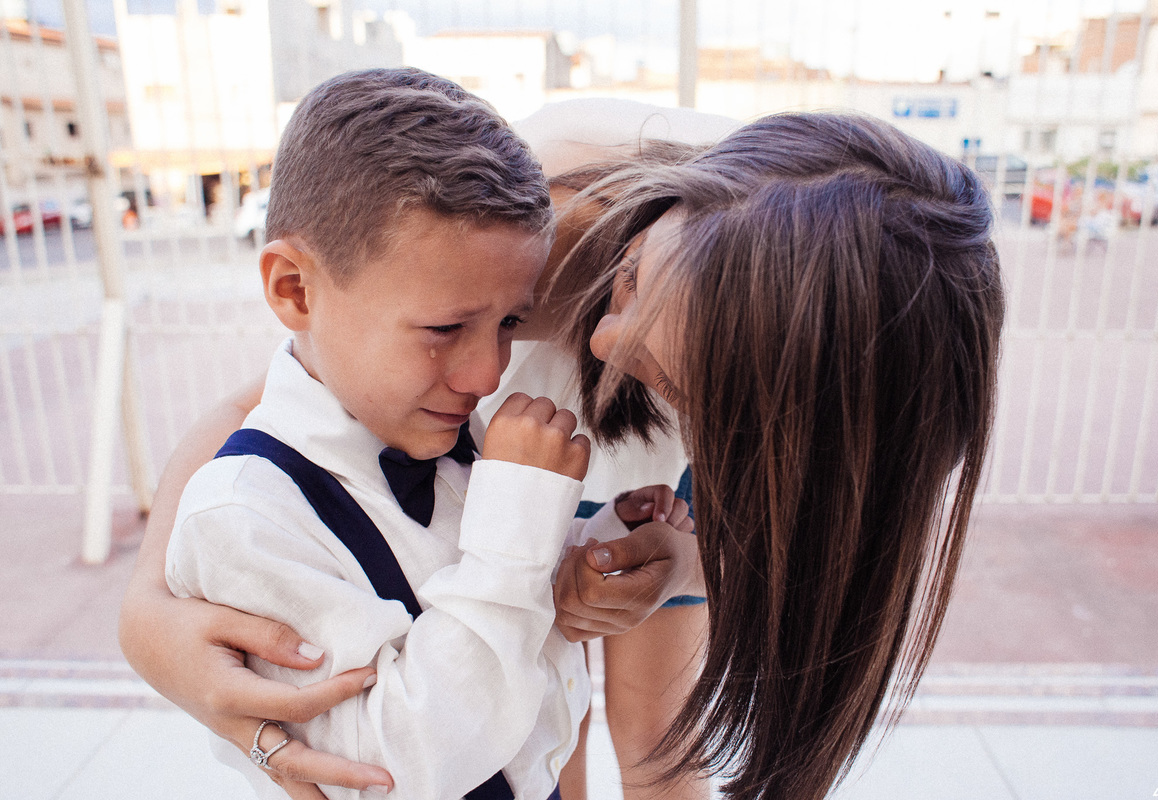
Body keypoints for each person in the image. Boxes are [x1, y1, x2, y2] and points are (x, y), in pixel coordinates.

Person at [124, 102, 1004, 800]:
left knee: (660, 737)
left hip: (657, 493)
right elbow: (269, 395)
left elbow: (807, 552)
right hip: (519, 476)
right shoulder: (529, 219)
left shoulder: (871, 353)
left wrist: (684, 560)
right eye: (627, 287)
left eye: (668, 371)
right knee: (544, 726)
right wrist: (148, 612)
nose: (611, 341)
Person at [158, 68, 696, 800]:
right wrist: (515, 534)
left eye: (511, 323)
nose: (487, 373)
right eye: (445, 329)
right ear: (293, 290)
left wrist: (582, 559)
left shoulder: (440, 430)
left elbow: (477, 617)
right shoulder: (243, 519)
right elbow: (395, 765)